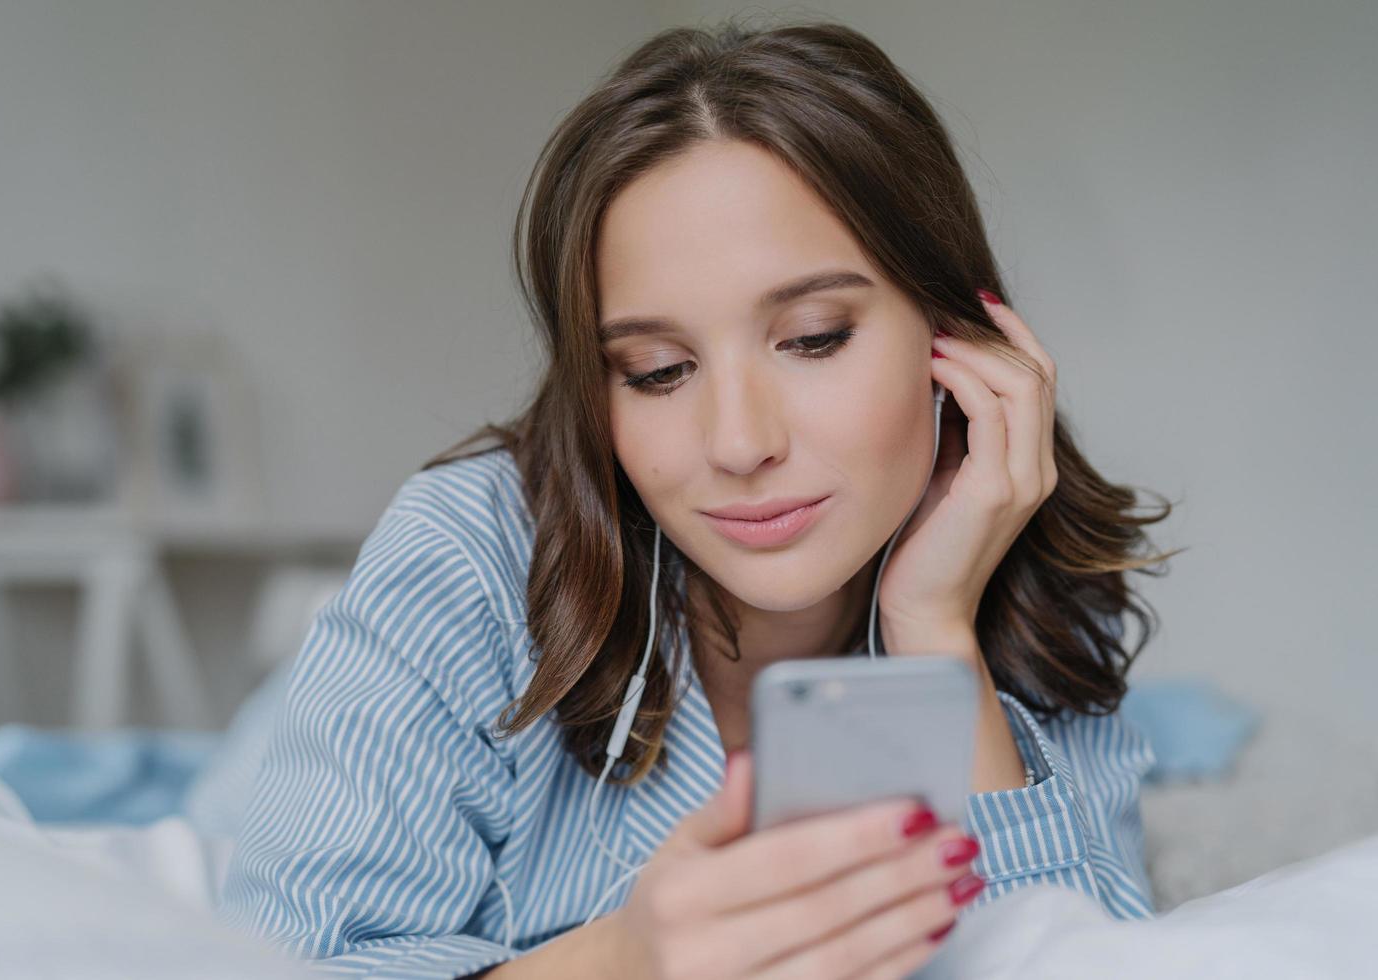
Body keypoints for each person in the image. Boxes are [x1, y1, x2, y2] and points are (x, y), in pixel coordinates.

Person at [218, 16, 1180, 980]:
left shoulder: (1027, 589)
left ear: (954, 339)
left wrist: (937, 632)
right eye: (657, 370)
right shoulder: (465, 559)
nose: (738, 443)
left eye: (812, 339)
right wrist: (622, 962)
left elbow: (1085, 957)